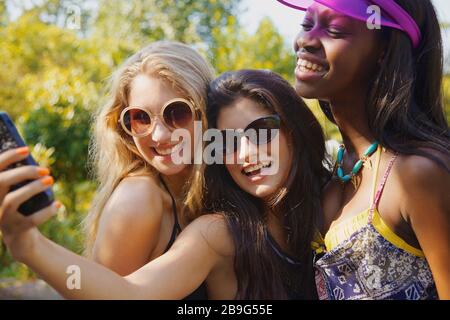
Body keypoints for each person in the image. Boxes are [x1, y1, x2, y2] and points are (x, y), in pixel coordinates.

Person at [0, 69, 329, 299]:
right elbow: (129, 293)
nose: (245, 154)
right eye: (227, 141)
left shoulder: (333, 199)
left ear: (294, 129)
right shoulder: (219, 233)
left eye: (260, 131)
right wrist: (27, 244)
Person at [278, 0, 450, 299]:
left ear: (384, 51)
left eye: (334, 30)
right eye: (307, 25)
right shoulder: (333, 169)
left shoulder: (417, 174)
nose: (305, 40)